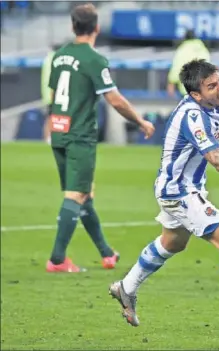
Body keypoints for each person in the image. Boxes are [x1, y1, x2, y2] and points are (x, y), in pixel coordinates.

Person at [109, 59, 219, 341]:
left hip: (181, 189)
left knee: (173, 242)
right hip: (179, 192)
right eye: (212, 86)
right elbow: (217, 160)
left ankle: (126, 287)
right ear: (196, 94)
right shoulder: (193, 115)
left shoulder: (216, 104)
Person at [45, 4, 155, 273]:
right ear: (96, 28)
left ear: (73, 26)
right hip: (79, 136)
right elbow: (114, 100)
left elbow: (53, 97)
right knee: (77, 193)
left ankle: (107, 253)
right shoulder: (94, 60)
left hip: (59, 132)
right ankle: (57, 259)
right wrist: (140, 120)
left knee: (86, 193)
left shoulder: (59, 57)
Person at [167, 30, 211, 98]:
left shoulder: (182, 50)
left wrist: (171, 82)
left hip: (187, 91)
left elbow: (177, 68)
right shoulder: (203, 49)